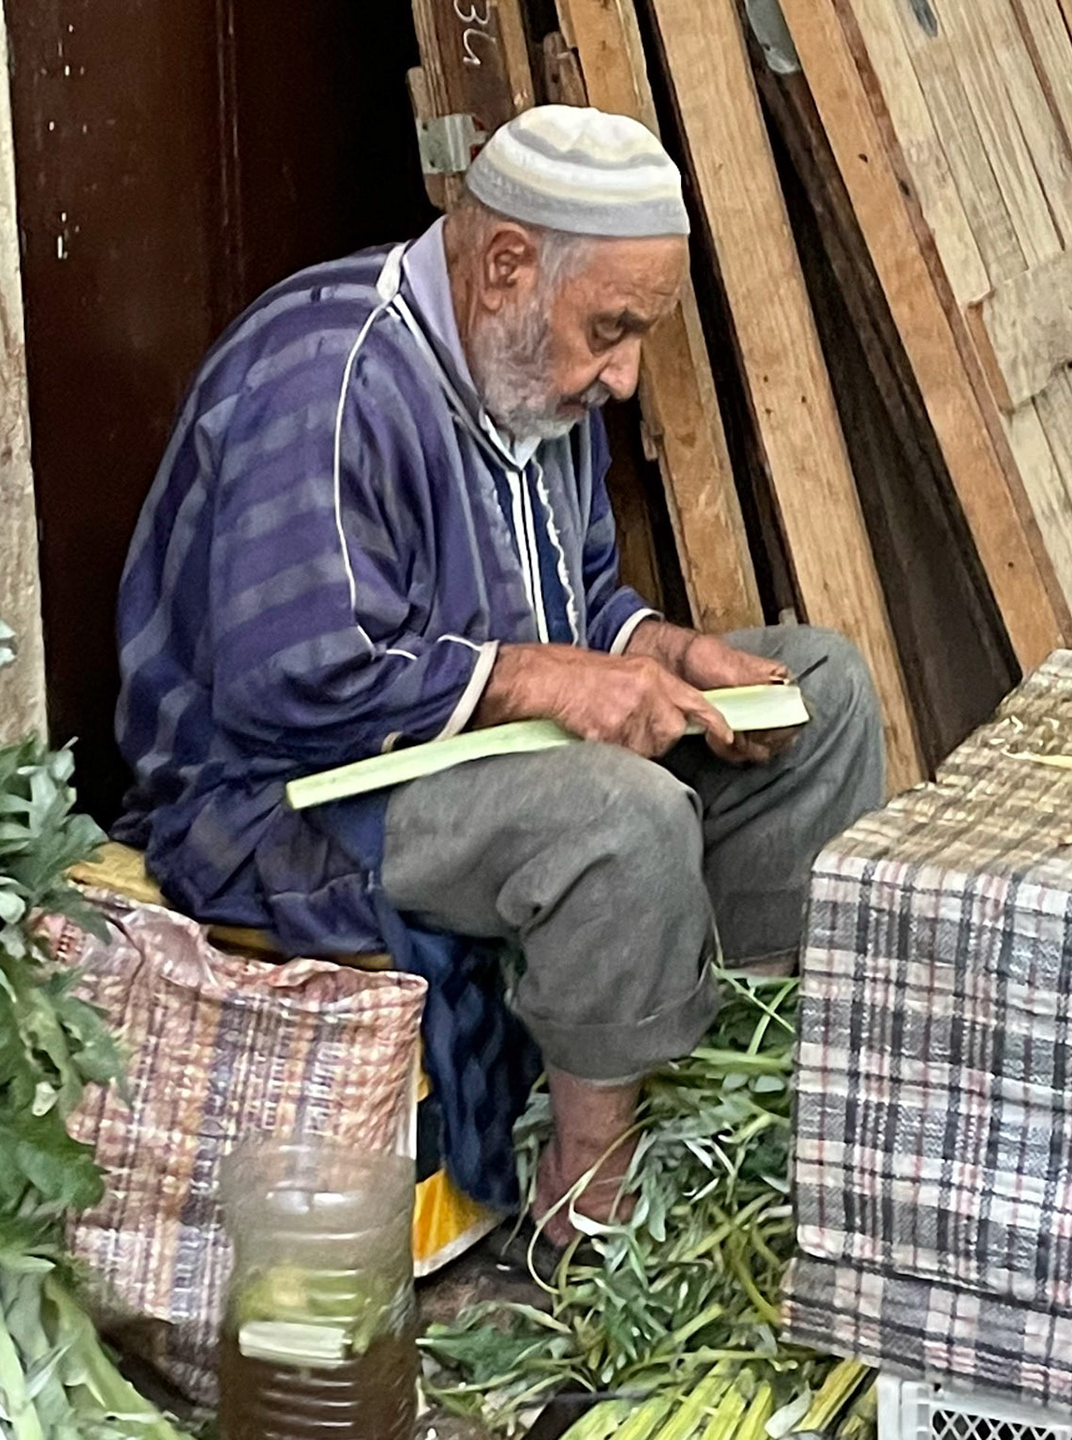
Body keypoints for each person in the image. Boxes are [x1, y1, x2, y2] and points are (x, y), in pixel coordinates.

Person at [113, 107, 884, 1243]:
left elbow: (579, 599)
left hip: (462, 755)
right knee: (617, 816)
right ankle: (587, 1194)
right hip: (284, 806)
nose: (624, 378)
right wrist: (544, 682)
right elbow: (296, 687)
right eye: (611, 330)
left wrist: (654, 649)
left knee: (824, 690)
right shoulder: (326, 378)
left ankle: (724, 1089)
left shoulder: (532, 370)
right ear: (507, 263)